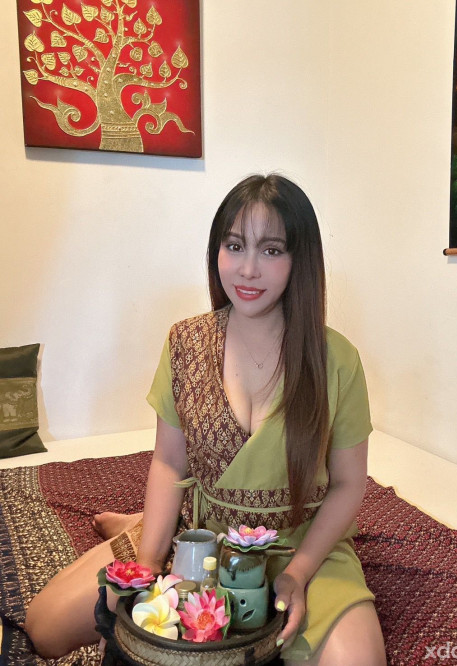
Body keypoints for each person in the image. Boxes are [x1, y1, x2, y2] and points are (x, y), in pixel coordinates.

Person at [25, 174, 386, 665]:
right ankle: (141, 527)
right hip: (200, 538)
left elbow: (348, 483)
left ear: (299, 259)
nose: (248, 269)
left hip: (300, 546)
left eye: (272, 250)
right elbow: (169, 463)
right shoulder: (185, 343)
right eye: (234, 246)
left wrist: (298, 574)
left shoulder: (336, 360)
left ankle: (141, 525)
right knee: (44, 628)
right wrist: (150, 565)